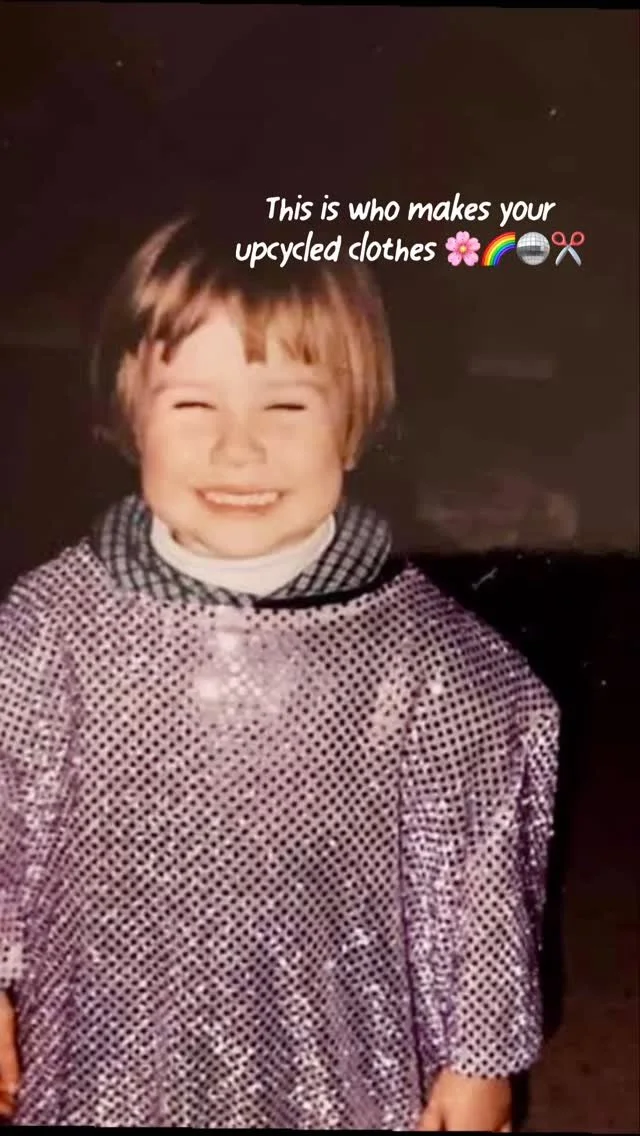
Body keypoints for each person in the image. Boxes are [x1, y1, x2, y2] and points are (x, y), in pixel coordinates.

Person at [0, 212, 559, 1130]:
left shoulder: (434, 663)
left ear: (355, 426)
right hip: (106, 1045)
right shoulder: (50, 627)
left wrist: (479, 1059)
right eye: (193, 406)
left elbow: (480, 872)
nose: (239, 448)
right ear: (129, 417)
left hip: (330, 1052)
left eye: (287, 407)